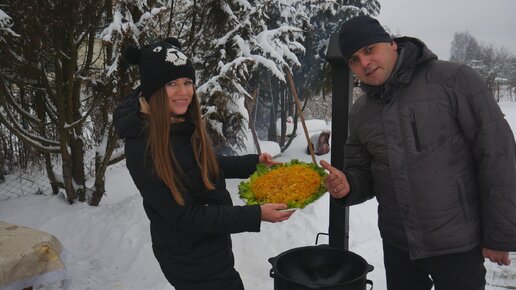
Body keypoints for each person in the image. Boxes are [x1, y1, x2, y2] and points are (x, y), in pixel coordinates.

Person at [320, 15, 516, 290]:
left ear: (392, 44)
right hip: (399, 246)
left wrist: (499, 236)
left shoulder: (454, 81)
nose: (364, 63)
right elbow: (362, 172)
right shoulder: (362, 111)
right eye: (354, 59)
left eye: (369, 50)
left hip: (458, 245)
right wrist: (347, 185)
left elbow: (498, 154)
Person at [113, 37, 294, 290]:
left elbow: (203, 165)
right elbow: (186, 216)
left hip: (209, 246)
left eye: (187, 82)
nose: (183, 92)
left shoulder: (179, 122)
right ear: (153, 89)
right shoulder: (143, 147)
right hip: (188, 257)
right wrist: (256, 214)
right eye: (171, 83)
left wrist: (254, 164)